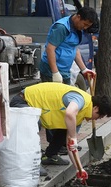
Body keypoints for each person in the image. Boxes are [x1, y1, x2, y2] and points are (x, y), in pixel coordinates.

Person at [10, 82, 111, 183]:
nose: (96, 119)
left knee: (65, 130)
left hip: (32, 108)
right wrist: (73, 137)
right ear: (96, 108)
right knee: (33, 122)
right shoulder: (81, 99)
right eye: (99, 116)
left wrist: (79, 169)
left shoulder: (79, 117)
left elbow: (71, 145)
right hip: (22, 102)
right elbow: (69, 113)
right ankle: (31, 164)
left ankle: (50, 156)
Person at [39, 6, 98, 155]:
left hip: (65, 70)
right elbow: (50, 49)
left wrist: (84, 69)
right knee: (54, 107)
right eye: (84, 24)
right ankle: (54, 147)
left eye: (87, 26)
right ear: (77, 17)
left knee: (64, 107)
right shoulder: (62, 27)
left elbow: (74, 49)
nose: (84, 28)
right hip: (51, 71)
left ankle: (62, 143)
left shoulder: (77, 29)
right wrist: (55, 73)